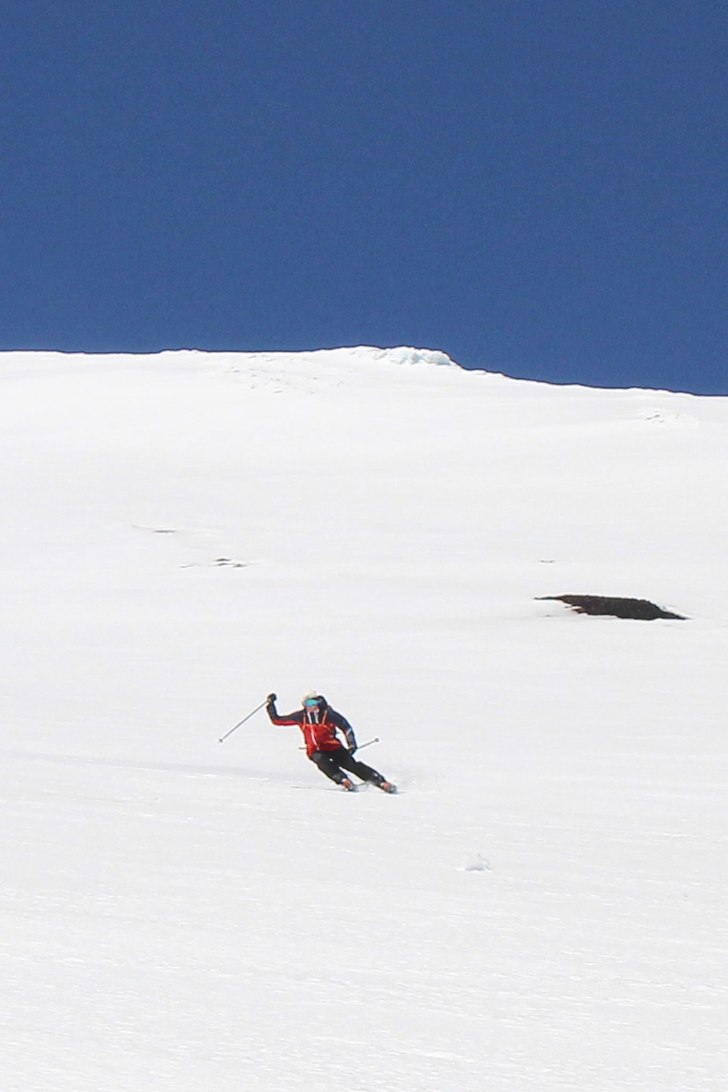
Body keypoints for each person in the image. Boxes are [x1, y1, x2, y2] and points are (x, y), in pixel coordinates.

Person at [266, 691, 396, 793]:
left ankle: (381, 782)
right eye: (307, 704)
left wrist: (351, 744)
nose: (310, 706)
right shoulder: (301, 716)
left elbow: (346, 727)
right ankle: (342, 780)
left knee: (350, 764)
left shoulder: (329, 714)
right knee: (322, 762)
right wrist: (271, 705)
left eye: (312, 702)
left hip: (333, 747)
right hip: (315, 750)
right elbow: (278, 721)